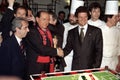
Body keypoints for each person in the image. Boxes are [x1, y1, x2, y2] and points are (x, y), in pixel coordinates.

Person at [63, 6, 103, 70]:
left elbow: (99, 51)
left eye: (85, 17)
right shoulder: (71, 32)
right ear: (76, 18)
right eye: (80, 17)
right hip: (76, 66)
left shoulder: (96, 31)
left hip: (90, 67)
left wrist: (95, 67)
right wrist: (58, 52)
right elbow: (68, 48)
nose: (83, 19)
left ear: (87, 17)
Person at [25, 11, 64, 75]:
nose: (46, 22)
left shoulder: (48, 30)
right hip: (35, 66)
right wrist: (56, 51)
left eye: (48, 20)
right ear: (37, 19)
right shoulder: (32, 31)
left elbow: (59, 29)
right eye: (44, 19)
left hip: (46, 64)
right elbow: (41, 48)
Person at [63, 0, 84, 71]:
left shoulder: (82, 29)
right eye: (70, 16)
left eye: (73, 16)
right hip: (66, 58)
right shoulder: (64, 26)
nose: (71, 18)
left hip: (78, 59)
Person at [100, 0, 120, 72]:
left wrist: (119, 62)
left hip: (114, 62)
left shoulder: (118, 31)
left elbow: (118, 49)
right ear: (109, 18)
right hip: (102, 62)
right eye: (116, 17)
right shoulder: (99, 30)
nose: (118, 19)